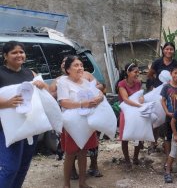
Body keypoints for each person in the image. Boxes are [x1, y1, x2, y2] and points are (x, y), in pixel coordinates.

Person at [0, 41, 48, 188]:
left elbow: (47, 92)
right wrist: (7, 103)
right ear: (5, 56)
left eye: (21, 52)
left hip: (29, 126)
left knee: (23, 166)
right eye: (14, 52)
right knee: (10, 168)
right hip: (7, 128)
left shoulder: (30, 73)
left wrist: (42, 85)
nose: (19, 55)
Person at [50, 56, 104, 179]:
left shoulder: (85, 80)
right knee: (70, 153)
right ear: (67, 69)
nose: (80, 67)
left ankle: (83, 181)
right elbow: (62, 102)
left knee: (84, 151)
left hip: (86, 121)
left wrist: (99, 97)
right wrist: (82, 103)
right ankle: (66, 184)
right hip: (71, 123)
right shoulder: (61, 81)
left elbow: (98, 90)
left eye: (81, 65)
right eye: (76, 65)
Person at [117, 63, 144, 170]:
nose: (137, 74)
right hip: (126, 112)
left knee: (139, 135)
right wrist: (138, 104)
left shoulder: (138, 83)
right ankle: (127, 159)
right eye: (135, 72)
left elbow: (141, 95)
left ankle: (136, 157)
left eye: (138, 72)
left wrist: (142, 99)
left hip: (136, 112)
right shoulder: (121, 84)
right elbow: (126, 99)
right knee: (125, 137)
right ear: (128, 72)